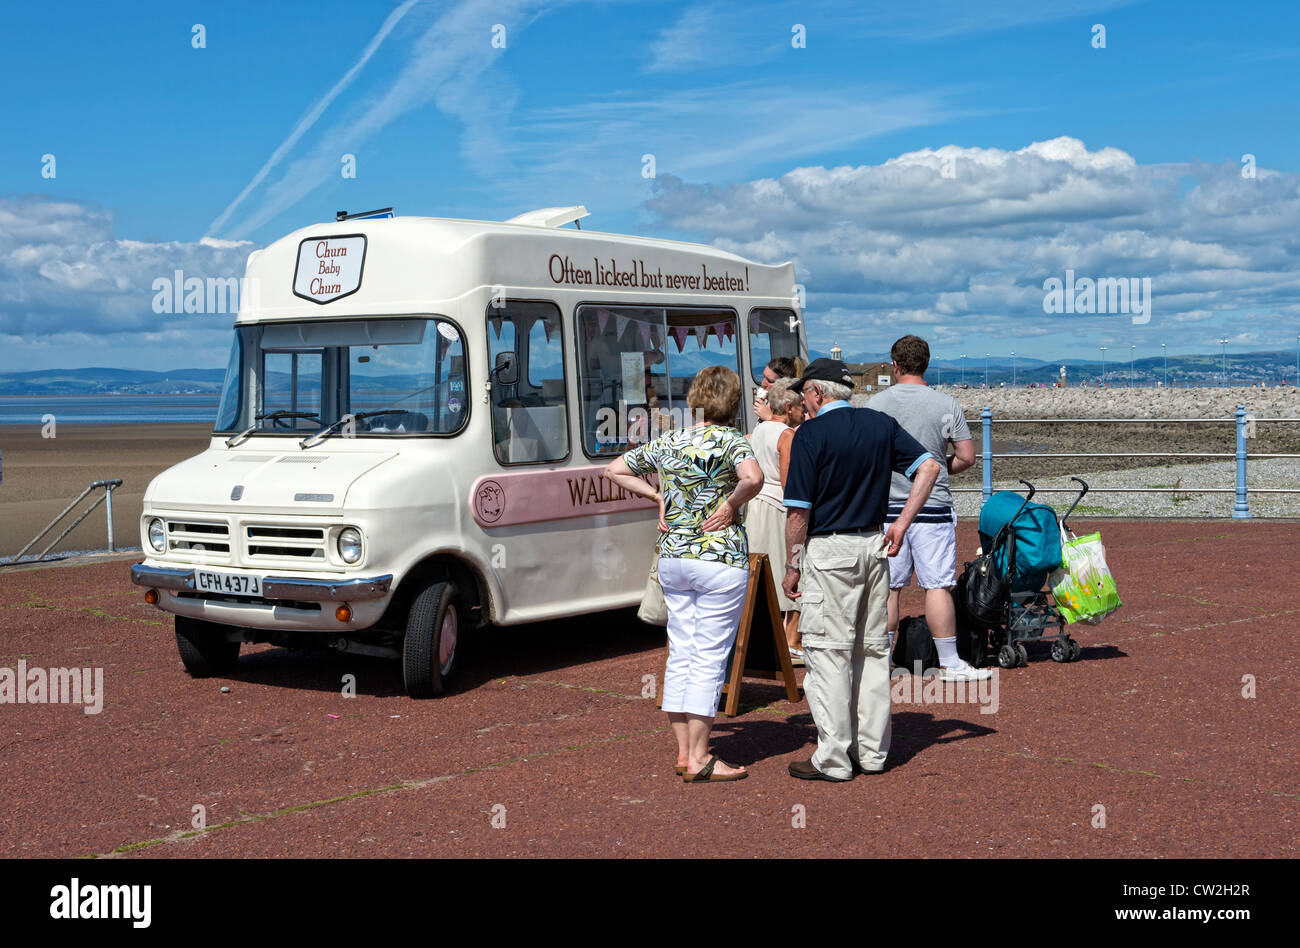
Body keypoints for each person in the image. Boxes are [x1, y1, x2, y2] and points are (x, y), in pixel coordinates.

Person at [781, 359, 941, 781]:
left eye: (804, 394)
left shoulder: (809, 435)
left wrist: (792, 565)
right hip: (874, 544)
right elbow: (930, 466)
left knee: (828, 653)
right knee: (871, 652)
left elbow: (798, 514)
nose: (803, 402)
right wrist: (902, 523)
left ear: (816, 392)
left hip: (830, 548)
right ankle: (872, 753)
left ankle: (832, 757)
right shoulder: (880, 424)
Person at [606, 366, 764, 783]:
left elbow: (614, 470)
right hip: (718, 557)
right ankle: (699, 756)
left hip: (673, 557)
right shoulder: (732, 440)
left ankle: (683, 752)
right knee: (710, 656)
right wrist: (731, 505)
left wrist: (658, 495)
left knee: (681, 651)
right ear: (732, 402)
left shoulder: (671, 439)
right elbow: (754, 479)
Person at [868, 336, 989, 682]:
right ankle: (949, 662)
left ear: (894, 365)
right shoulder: (946, 404)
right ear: (926, 364)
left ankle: (883, 663)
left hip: (888, 509)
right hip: (932, 507)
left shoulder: (875, 405)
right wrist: (935, 468)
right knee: (936, 585)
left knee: (889, 587)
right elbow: (967, 457)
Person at [745, 378, 805, 663]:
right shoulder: (786, 434)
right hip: (777, 508)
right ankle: (791, 640)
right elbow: (788, 482)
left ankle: (770, 639)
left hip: (756, 505)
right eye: (801, 406)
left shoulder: (759, 429)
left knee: (760, 573)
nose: (805, 410)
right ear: (789, 407)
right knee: (791, 570)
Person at [754, 356, 799, 423]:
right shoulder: (767, 404)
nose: (763, 384)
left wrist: (769, 418)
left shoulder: (792, 408)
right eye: (764, 377)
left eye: (770, 381)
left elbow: (789, 432)